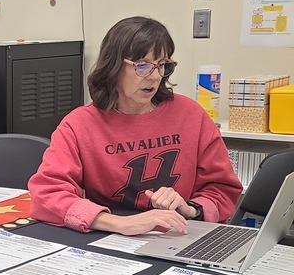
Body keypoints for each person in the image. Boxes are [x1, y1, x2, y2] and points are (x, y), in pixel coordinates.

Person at [29, 15, 242, 234]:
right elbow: (47, 194)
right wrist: (119, 223)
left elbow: (223, 190)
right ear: (113, 67)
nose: (155, 76)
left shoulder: (191, 115)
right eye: (143, 66)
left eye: (162, 66)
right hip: (111, 238)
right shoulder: (79, 125)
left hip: (180, 234)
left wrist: (190, 209)